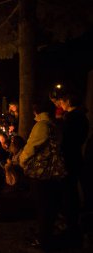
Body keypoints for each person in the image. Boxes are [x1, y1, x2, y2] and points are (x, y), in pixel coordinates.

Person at [19, 100, 64, 250]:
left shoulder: (42, 126)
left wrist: (22, 160)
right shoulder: (55, 125)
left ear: (36, 111)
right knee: (49, 205)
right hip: (53, 172)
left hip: (41, 172)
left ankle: (43, 239)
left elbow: (32, 146)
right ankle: (45, 234)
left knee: (43, 206)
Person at [57, 91, 89, 247]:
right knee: (72, 192)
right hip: (76, 157)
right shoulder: (82, 117)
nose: (60, 105)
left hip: (69, 159)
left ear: (68, 101)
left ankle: (71, 229)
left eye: (62, 102)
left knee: (69, 193)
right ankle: (73, 226)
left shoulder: (71, 118)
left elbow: (65, 140)